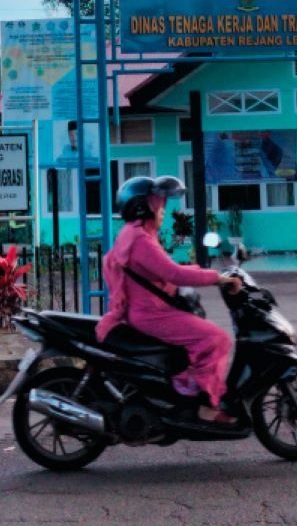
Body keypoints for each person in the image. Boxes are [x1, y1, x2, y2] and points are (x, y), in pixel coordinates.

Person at [96, 176, 243, 424]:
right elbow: (173, 274)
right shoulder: (140, 240)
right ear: (142, 207)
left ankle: (185, 393)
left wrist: (209, 272)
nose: (162, 209)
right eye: (158, 203)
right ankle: (206, 407)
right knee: (216, 339)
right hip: (153, 314)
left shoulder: (135, 234)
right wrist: (218, 279)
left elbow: (168, 269)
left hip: (149, 310)